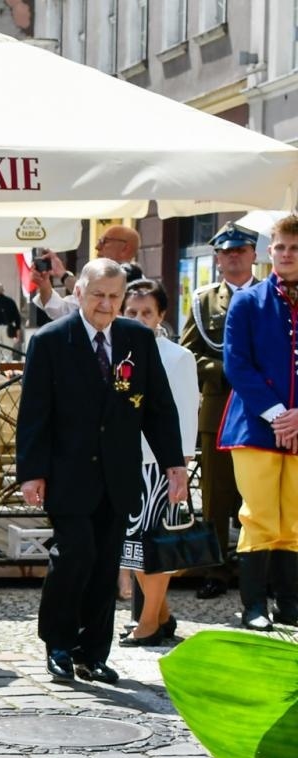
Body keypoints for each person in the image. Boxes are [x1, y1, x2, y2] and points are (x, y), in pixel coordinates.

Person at [18, 259, 187, 682]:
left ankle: (93, 653)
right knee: (75, 555)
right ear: (79, 293)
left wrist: (174, 464)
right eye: (99, 295)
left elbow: (159, 409)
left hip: (118, 474)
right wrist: (31, 472)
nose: (107, 304)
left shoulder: (137, 340)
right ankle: (58, 643)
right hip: (68, 472)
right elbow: (34, 414)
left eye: (115, 296)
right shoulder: (51, 341)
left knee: (105, 563)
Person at [220, 213, 298, 630]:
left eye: (294, 248)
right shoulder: (248, 301)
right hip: (254, 425)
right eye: (280, 247)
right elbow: (237, 364)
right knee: (260, 515)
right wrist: (279, 414)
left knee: (296, 520)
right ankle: (253, 607)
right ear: (269, 252)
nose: (286, 255)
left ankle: (290, 604)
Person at [117, 279, 199, 646]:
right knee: (131, 546)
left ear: (161, 315)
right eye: (131, 311)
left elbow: (184, 415)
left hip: (159, 465)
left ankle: (148, 622)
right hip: (123, 460)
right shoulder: (117, 350)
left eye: (146, 312)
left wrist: (178, 467)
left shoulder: (178, 357)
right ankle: (161, 616)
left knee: (153, 546)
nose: (138, 318)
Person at [181, 221, 259, 600]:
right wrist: (222, 369)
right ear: (217, 258)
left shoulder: (271, 296)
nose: (233, 257)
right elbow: (188, 354)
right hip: (220, 407)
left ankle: (260, 569)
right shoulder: (204, 300)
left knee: (261, 496)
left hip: (264, 410)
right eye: (226, 252)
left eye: (240, 251)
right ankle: (216, 569)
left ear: (253, 255)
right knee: (216, 498)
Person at [32, 224, 143, 319]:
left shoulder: (142, 290)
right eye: (98, 295)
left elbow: (62, 309)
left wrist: (62, 275)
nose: (97, 247)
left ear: (125, 248)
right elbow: (62, 309)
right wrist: (46, 283)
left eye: (104, 241)